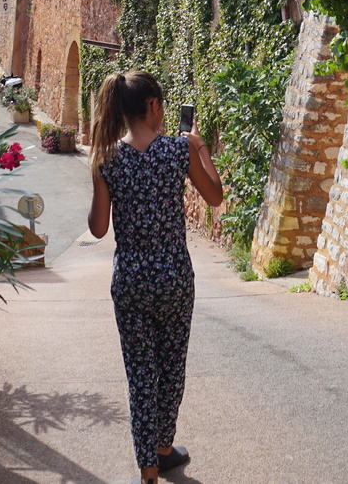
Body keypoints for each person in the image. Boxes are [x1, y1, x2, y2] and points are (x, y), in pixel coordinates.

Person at [87, 71, 225, 484]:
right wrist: (199, 147)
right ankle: (164, 446)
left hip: (130, 281)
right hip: (174, 279)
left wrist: (98, 179)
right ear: (152, 106)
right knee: (171, 367)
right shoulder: (177, 152)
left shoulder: (106, 158)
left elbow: (97, 228)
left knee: (141, 376)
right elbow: (215, 196)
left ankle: (150, 469)